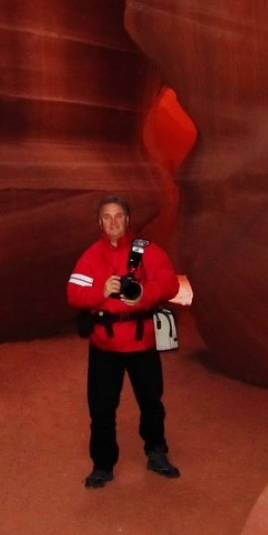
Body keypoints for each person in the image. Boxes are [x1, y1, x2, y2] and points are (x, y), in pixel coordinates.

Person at [67, 195, 181, 488]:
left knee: (151, 403)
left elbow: (169, 283)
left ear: (127, 220)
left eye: (119, 216)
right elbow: (73, 293)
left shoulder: (147, 252)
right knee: (101, 408)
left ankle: (156, 452)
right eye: (107, 217)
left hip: (141, 345)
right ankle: (102, 465)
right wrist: (101, 291)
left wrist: (144, 292)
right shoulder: (91, 256)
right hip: (104, 347)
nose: (113, 222)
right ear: (100, 222)